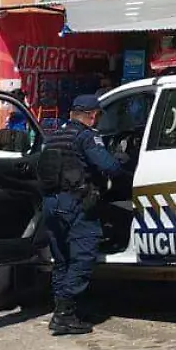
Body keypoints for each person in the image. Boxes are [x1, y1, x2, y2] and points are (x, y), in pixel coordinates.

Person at [36, 94, 123, 336]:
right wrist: (122, 162)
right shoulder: (86, 137)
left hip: (51, 204)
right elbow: (109, 167)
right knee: (83, 257)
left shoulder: (54, 137)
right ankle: (64, 314)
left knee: (62, 260)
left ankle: (64, 311)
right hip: (76, 204)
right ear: (93, 115)